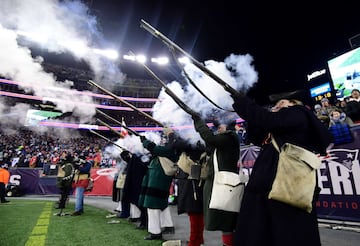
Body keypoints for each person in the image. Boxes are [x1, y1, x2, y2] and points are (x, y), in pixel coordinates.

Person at [231, 91, 333, 246]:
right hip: (269, 187)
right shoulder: (278, 126)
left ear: (294, 103)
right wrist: (251, 115)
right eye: (276, 105)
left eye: (282, 103)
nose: (277, 105)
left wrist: (245, 103)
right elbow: (257, 135)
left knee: (288, 234)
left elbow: (270, 120)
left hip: (286, 188)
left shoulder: (298, 113)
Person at [190, 116, 240, 246]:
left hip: (225, 184)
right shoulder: (225, 140)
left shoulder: (229, 137)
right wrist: (198, 124)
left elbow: (210, 138)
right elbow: (210, 142)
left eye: (220, 126)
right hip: (222, 184)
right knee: (225, 222)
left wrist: (200, 122)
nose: (218, 129)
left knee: (227, 222)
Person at [139, 128, 179, 241]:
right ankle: (168, 225)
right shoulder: (170, 150)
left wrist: (144, 141)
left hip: (158, 180)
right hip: (160, 180)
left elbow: (154, 148)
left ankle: (155, 232)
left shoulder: (169, 150)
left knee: (152, 205)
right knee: (162, 204)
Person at [175, 141, 208, 246]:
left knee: (195, 216)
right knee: (197, 215)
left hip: (192, 185)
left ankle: (194, 241)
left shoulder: (194, 153)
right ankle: (198, 239)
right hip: (195, 184)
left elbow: (175, 144)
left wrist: (172, 135)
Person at [120, 150, 148, 229]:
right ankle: (143, 221)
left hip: (138, 185)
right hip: (136, 184)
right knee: (139, 203)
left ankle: (144, 222)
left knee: (141, 204)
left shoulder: (139, 157)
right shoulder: (137, 158)